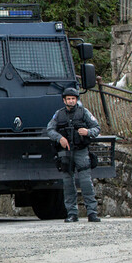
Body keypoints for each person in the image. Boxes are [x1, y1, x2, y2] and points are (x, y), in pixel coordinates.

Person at [46, 87, 102, 222]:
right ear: (64, 100)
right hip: (65, 153)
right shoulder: (59, 114)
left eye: (73, 99)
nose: (71, 101)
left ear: (76, 99)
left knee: (86, 182)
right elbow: (50, 129)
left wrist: (87, 132)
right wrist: (60, 138)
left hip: (81, 151)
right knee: (68, 184)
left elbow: (97, 128)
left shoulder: (84, 112)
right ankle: (71, 213)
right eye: (68, 99)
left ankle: (92, 212)